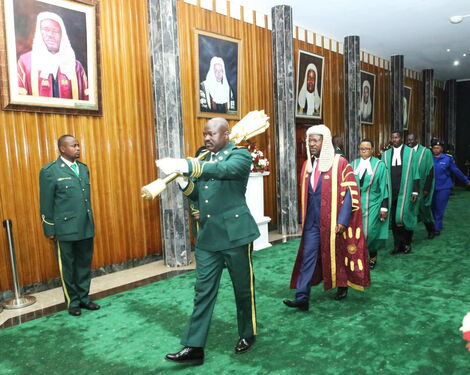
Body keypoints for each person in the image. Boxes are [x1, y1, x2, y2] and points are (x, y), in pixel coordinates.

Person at [157, 118, 259, 365]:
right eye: (204, 134)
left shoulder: (240, 155)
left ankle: (248, 333)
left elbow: (225, 171)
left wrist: (188, 165)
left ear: (226, 134)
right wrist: (183, 181)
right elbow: (198, 194)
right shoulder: (204, 158)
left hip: (235, 235)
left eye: (211, 134)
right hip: (208, 237)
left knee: (242, 289)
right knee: (202, 292)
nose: (206, 138)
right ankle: (194, 346)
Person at [283, 125, 370, 311]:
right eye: (310, 140)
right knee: (308, 256)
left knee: (338, 252)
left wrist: (343, 220)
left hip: (334, 222)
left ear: (325, 141)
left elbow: (350, 192)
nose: (312, 144)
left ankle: (342, 284)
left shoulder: (340, 163)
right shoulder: (307, 164)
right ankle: (302, 297)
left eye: (316, 140)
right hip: (312, 223)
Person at [39, 135, 99, 316]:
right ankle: (72, 302)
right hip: (64, 229)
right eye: (74, 146)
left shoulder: (83, 168)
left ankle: (84, 298)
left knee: (83, 264)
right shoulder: (50, 171)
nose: (78, 148)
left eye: (78, 145)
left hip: (85, 226)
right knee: (68, 266)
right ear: (62, 149)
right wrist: (49, 228)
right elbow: (46, 202)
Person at [17, 12, 89, 100]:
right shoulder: (25, 62)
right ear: (39, 32)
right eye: (46, 29)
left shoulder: (76, 67)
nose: (50, 35)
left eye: (55, 31)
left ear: (62, 35)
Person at [351, 139, 389, 269]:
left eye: (367, 149)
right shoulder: (353, 164)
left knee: (369, 232)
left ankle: (372, 255)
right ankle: (358, 257)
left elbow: (384, 187)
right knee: (355, 233)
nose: (364, 151)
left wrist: (384, 207)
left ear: (372, 150)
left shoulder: (380, 165)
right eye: (361, 149)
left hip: (373, 203)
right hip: (355, 205)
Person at [381, 130, 419, 254]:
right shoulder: (385, 155)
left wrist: (415, 191)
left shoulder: (411, 152)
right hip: (392, 191)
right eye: (392, 137)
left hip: (406, 190)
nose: (394, 139)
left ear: (401, 138)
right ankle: (397, 245)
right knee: (394, 220)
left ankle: (407, 243)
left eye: (396, 137)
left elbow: (416, 172)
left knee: (405, 217)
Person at [431, 139, 470, 235]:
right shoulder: (428, 158)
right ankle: (438, 223)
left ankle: (437, 228)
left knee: (440, 208)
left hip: (444, 187)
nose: (436, 150)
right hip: (431, 188)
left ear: (442, 149)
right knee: (433, 208)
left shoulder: (448, 159)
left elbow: (456, 171)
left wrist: (466, 180)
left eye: (438, 148)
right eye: (434, 148)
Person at [406, 133, 436, 238]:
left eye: (411, 139)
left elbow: (430, 170)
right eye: (408, 140)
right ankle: (408, 236)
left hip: (422, 187)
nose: (409, 142)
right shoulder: (405, 152)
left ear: (417, 140)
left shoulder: (426, 152)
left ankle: (431, 230)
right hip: (409, 187)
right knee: (409, 211)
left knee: (424, 210)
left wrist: (427, 188)